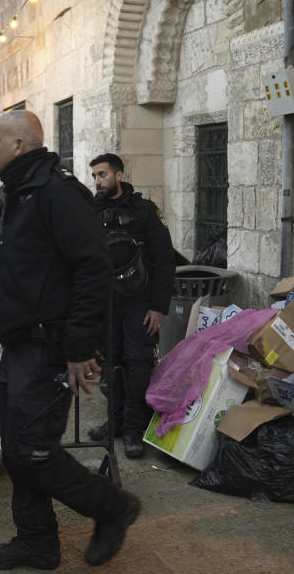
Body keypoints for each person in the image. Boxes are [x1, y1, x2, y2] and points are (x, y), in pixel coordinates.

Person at [0, 111, 140, 569]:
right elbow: (16, 259)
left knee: (35, 452)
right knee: (18, 452)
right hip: (20, 344)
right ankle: (37, 542)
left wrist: (78, 349)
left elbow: (93, 270)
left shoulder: (57, 193)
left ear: (20, 146)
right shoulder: (19, 193)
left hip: (48, 347)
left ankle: (113, 507)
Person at [86, 153, 175, 458]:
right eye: (95, 176)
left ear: (119, 175)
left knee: (138, 365)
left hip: (140, 303)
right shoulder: (89, 211)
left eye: (102, 175)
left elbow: (165, 261)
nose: (97, 181)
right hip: (104, 303)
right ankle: (115, 424)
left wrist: (159, 307)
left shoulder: (145, 211)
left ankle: (134, 429)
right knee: (110, 364)